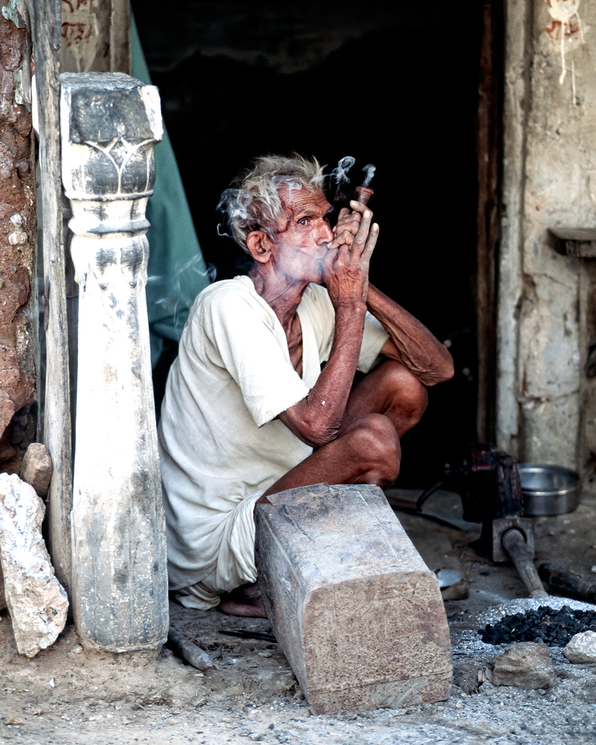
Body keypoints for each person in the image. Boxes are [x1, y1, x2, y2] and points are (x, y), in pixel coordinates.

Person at [157, 154, 453, 617]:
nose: (326, 234)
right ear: (261, 246)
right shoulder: (227, 305)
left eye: (325, 219)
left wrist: (359, 285)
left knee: (403, 385)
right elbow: (317, 427)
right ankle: (264, 581)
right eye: (304, 222)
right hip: (218, 544)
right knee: (373, 442)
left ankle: (314, 558)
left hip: (280, 495)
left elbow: (437, 369)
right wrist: (350, 304)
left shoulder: (315, 302)